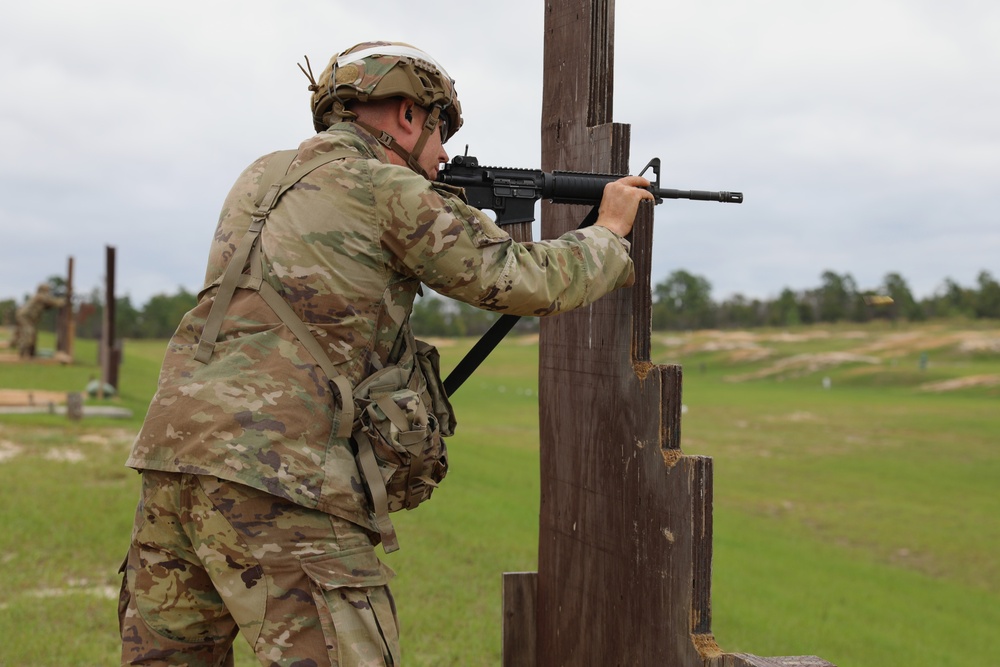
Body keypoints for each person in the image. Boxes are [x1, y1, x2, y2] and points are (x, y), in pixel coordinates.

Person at [119, 41, 653, 666]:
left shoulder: (261, 175)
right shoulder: (382, 185)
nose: (445, 152)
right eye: (441, 130)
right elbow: (512, 277)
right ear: (407, 115)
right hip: (282, 473)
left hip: (172, 460)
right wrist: (609, 232)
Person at [14, 282, 65, 358]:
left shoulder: (39, 297)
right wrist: (63, 301)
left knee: (32, 334)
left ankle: (31, 353)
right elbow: (53, 302)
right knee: (28, 333)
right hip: (25, 317)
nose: (48, 291)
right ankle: (23, 354)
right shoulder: (40, 296)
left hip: (28, 318)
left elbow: (48, 305)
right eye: (47, 289)